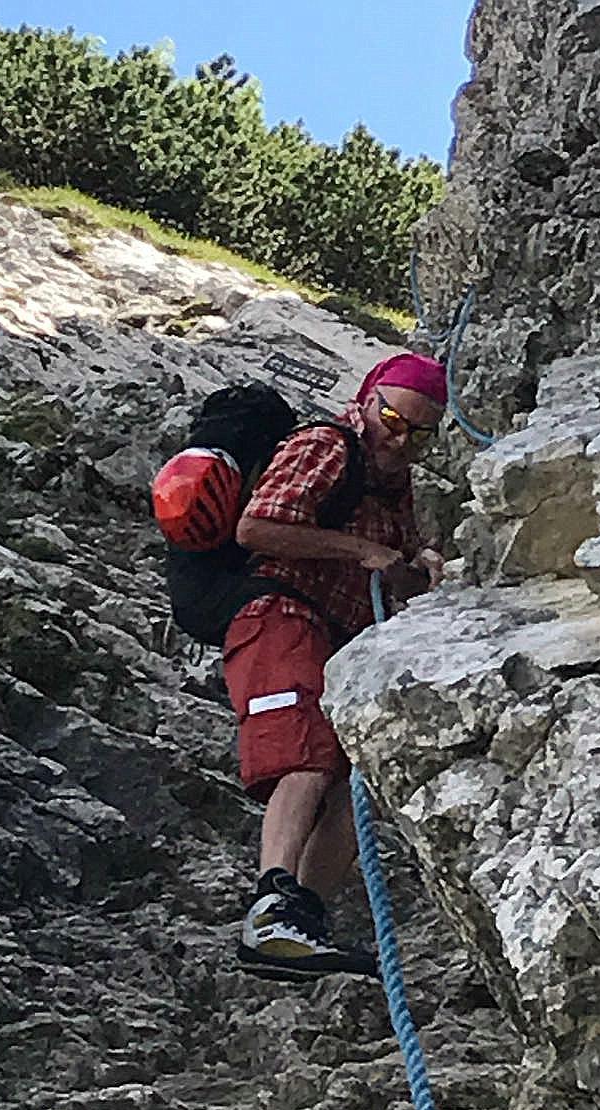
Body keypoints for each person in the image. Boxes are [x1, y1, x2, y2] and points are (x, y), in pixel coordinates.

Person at [226, 353, 448, 981]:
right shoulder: (327, 446)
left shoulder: (392, 484)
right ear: (368, 401)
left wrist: (417, 566)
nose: (399, 441)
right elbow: (256, 527)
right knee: (308, 758)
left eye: (419, 434)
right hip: (281, 615)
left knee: (356, 786)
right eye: (393, 421)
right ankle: (273, 903)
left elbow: (393, 564)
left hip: (337, 639)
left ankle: (303, 921)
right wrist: (360, 549)